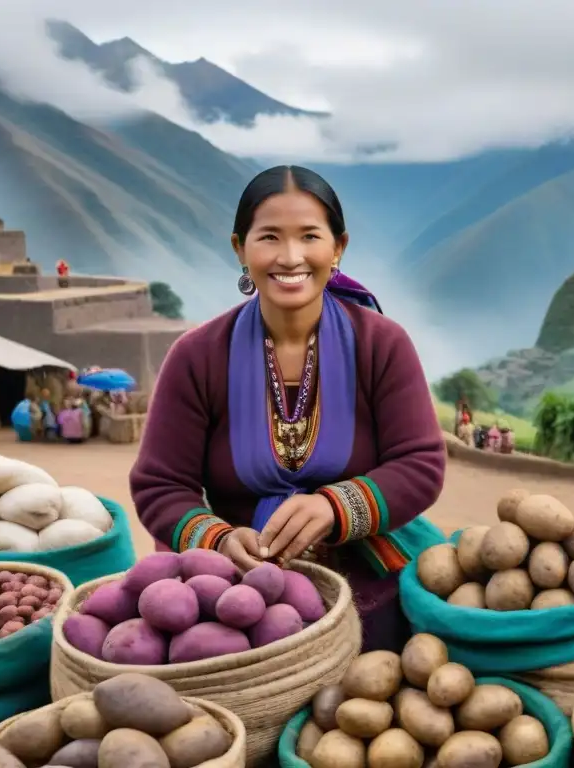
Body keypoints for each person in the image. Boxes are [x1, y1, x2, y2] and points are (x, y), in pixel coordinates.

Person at [130, 166, 446, 653]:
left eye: (310, 237)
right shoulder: (196, 358)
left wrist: (334, 506)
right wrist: (216, 540)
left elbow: (421, 463)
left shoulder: (382, 345)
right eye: (270, 237)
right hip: (236, 608)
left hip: (372, 601)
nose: (290, 257)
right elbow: (160, 485)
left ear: (338, 247)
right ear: (240, 248)